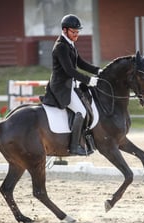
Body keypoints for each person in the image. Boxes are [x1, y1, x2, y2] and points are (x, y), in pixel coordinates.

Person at [40, 14, 101, 156]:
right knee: (81, 111)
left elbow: (80, 63)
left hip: (71, 84)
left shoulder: (70, 44)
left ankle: (85, 139)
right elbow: (69, 70)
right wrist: (88, 80)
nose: (76, 35)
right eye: (74, 32)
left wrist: (98, 70)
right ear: (64, 30)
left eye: (77, 32)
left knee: (88, 104)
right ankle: (74, 147)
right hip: (61, 87)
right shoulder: (61, 46)